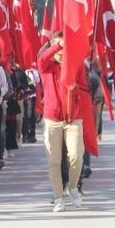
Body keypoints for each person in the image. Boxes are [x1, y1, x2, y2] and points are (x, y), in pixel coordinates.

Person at [38, 33, 84, 212]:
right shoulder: (47, 66)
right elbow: (42, 59)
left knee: (75, 155)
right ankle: (58, 197)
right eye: (58, 45)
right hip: (52, 118)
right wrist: (56, 45)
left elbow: (84, 86)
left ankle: (72, 186)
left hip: (73, 117)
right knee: (54, 160)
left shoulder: (75, 66)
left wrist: (75, 87)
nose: (62, 49)